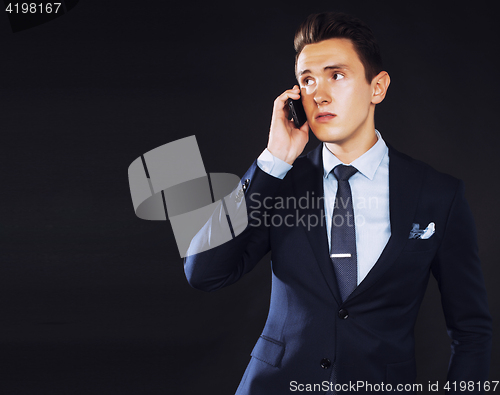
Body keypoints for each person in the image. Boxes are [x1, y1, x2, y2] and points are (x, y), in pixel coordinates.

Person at [184, 11, 492, 394]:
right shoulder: (279, 182)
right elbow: (203, 272)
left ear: (377, 87)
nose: (320, 94)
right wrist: (273, 159)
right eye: (307, 80)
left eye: (337, 75)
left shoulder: (438, 194)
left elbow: (472, 330)